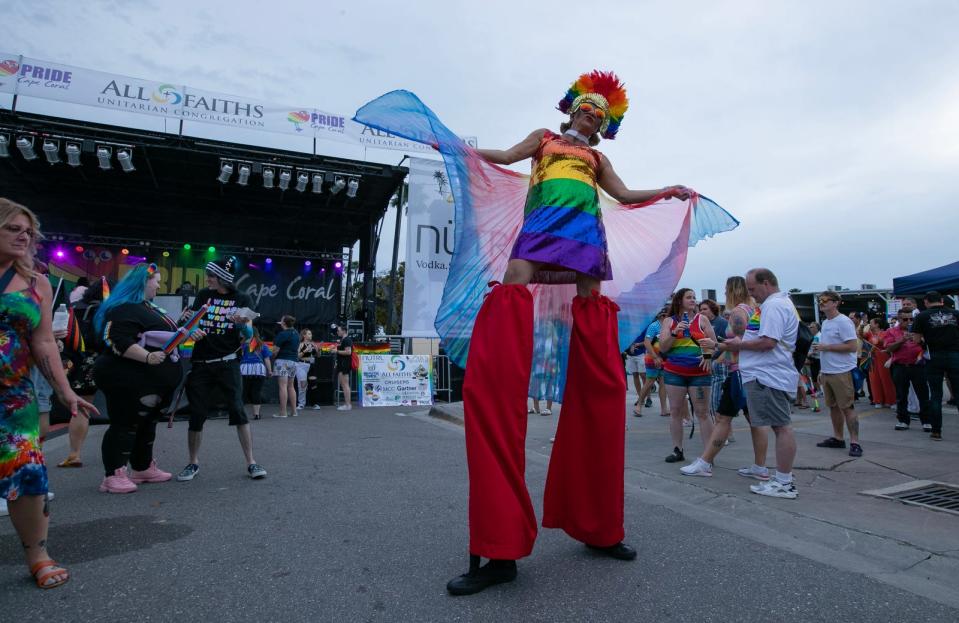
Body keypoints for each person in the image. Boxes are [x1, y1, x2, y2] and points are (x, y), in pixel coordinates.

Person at [442, 70, 698, 596]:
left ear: (605, 126)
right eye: (585, 108)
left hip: (584, 233)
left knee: (590, 301)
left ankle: (598, 528)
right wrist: (462, 151)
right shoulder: (545, 140)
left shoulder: (597, 160)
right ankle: (500, 547)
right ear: (571, 109)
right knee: (516, 280)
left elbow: (625, 196)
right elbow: (507, 158)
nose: (591, 115)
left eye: (599, 114)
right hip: (543, 223)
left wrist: (668, 190)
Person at [0, 198, 98, 588]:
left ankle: (38, 556)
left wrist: (66, 391)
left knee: (26, 473)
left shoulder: (35, 282)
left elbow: (42, 342)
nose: (24, 236)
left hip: (14, 396)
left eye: (29, 231)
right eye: (14, 228)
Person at [93, 263, 185, 493]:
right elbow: (115, 339)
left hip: (151, 383)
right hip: (126, 379)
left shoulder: (149, 307)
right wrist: (146, 356)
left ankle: (142, 467)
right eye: (156, 281)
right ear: (142, 282)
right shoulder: (124, 307)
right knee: (125, 423)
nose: (158, 285)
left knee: (146, 422)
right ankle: (113, 474)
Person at [176, 256, 267, 482]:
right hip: (201, 363)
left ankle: (251, 462)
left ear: (223, 278)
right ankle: (192, 462)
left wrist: (242, 325)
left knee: (238, 410)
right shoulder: (203, 296)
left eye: (211, 276)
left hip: (229, 362)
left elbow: (248, 335)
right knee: (196, 414)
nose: (207, 279)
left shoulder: (242, 298)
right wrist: (192, 331)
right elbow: (192, 323)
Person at [715, 268, 799, 498]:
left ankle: (784, 482)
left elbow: (768, 342)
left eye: (753, 289)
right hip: (766, 374)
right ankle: (782, 478)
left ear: (766, 283)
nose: (752, 295)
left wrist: (736, 345)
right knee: (779, 426)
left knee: (781, 427)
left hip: (767, 375)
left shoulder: (774, 306)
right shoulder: (773, 305)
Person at [681, 277, 756, 477]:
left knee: (724, 417)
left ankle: (705, 462)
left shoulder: (738, 312)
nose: (724, 292)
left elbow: (740, 343)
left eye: (726, 289)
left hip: (739, 371)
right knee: (749, 420)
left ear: (733, 289)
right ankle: (759, 466)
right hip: (742, 370)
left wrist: (717, 348)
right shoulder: (751, 309)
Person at [658, 288, 718, 463]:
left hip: (699, 373)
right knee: (675, 411)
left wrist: (707, 356)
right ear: (679, 300)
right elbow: (663, 347)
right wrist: (675, 333)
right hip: (674, 373)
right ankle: (678, 450)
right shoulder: (669, 321)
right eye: (688, 297)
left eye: (694, 297)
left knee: (703, 412)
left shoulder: (703, 319)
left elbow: (713, 344)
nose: (693, 300)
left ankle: (708, 455)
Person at [814, 291, 863, 457]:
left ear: (835, 303)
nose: (821, 303)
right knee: (833, 407)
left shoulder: (843, 322)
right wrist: (822, 370)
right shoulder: (827, 322)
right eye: (820, 300)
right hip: (828, 371)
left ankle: (855, 442)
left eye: (825, 300)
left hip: (842, 371)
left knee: (847, 407)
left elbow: (852, 346)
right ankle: (838, 437)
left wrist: (826, 347)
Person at [911, 291, 959, 440]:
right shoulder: (956, 314)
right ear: (942, 301)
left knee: (936, 394)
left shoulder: (922, 316)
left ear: (926, 302)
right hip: (955, 355)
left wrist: (926, 342)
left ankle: (936, 430)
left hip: (934, 356)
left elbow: (916, 340)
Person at [883, 309, 930, 431]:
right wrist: (902, 340)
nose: (908, 322)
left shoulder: (919, 331)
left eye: (911, 319)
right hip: (900, 366)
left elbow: (928, 347)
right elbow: (888, 348)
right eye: (905, 319)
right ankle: (903, 420)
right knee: (901, 394)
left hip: (918, 366)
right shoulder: (891, 331)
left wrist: (921, 340)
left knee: (923, 394)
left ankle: (926, 420)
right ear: (899, 320)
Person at [635, 309, 669, 418]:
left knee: (663, 383)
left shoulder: (669, 326)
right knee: (649, 381)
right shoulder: (654, 326)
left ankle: (664, 409)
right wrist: (655, 357)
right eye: (668, 315)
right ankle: (639, 405)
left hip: (665, 358)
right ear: (662, 316)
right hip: (652, 358)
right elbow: (646, 342)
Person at [861, 316, 896, 408]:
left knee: (886, 378)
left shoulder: (885, 333)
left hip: (883, 356)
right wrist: (861, 326)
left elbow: (886, 343)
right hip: (871, 358)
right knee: (874, 379)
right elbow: (859, 335)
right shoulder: (869, 334)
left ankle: (891, 400)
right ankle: (878, 400)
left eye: (871, 322)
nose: (869, 324)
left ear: (877, 324)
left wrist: (879, 340)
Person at [240, 327, 273, 420]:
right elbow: (267, 359)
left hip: (245, 369)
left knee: (243, 392)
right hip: (259, 370)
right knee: (256, 392)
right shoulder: (262, 345)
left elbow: (239, 357)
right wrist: (269, 371)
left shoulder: (242, 344)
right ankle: (256, 414)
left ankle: (240, 413)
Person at [272, 315, 299, 418]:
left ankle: (283, 412)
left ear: (283, 323)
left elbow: (275, 350)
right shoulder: (296, 333)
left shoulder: (282, 334)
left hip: (282, 361)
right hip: (294, 361)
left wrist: (272, 356)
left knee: (282, 386)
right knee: (291, 386)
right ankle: (294, 411)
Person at [624, 329, 647, 416]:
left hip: (641, 354)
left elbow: (647, 340)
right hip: (631, 355)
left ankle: (646, 397)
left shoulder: (644, 326)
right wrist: (630, 346)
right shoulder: (629, 327)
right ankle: (640, 397)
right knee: (635, 375)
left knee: (643, 376)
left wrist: (637, 344)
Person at [296, 328, 320, 411]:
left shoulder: (313, 344)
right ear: (304, 335)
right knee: (302, 385)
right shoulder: (301, 344)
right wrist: (305, 350)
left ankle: (314, 404)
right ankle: (301, 403)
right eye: (309, 334)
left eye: (311, 334)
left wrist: (318, 350)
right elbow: (297, 356)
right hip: (301, 365)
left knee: (313, 384)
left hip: (311, 365)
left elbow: (318, 356)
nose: (311, 335)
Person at [334, 324, 353, 411]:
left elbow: (348, 352)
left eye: (338, 330)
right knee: (343, 384)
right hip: (342, 363)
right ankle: (347, 404)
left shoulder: (347, 340)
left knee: (345, 385)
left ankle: (347, 404)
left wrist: (336, 351)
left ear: (344, 331)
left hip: (344, 364)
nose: (337, 332)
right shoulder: (344, 340)